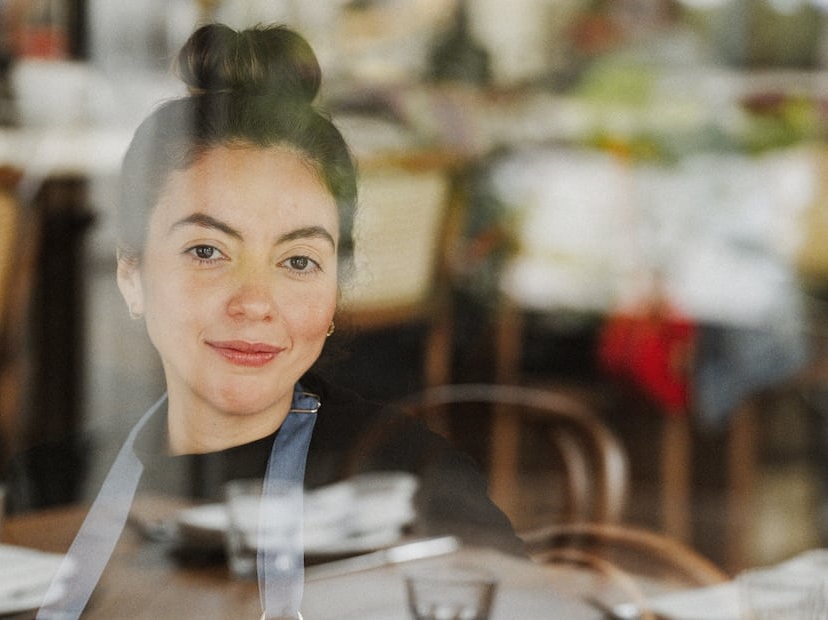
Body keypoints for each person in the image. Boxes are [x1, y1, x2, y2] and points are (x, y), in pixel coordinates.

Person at [36, 22, 522, 619]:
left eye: (298, 261)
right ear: (131, 275)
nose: (254, 302)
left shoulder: (411, 488)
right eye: (208, 251)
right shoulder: (50, 487)